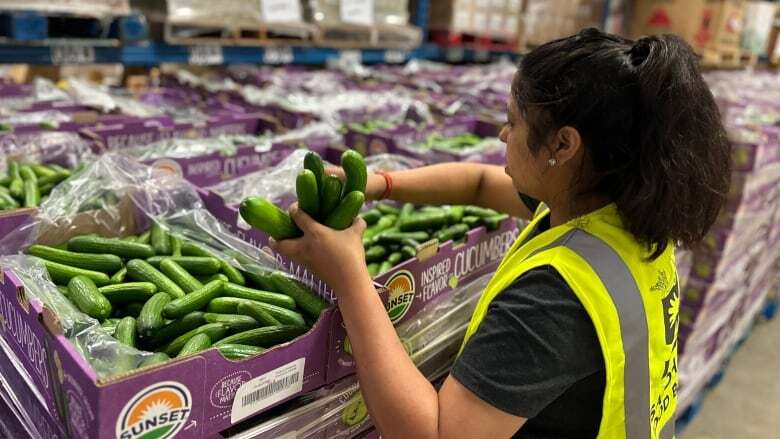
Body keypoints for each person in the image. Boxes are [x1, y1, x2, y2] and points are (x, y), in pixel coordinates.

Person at [272, 28, 731, 439]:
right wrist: (380, 184)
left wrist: (350, 278)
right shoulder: (619, 208)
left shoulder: (553, 300)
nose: (500, 133)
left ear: (563, 145)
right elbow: (480, 183)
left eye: (514, 121)